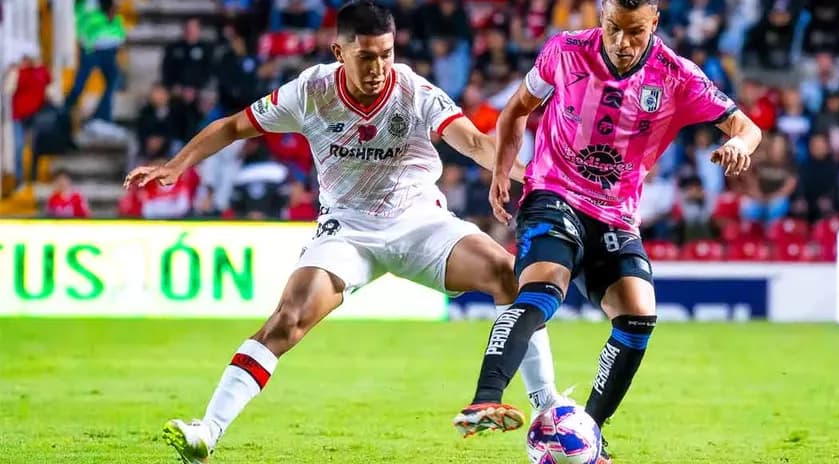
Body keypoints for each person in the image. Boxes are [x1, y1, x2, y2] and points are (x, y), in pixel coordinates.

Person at [123, 2, 561, 462]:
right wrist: (176, 166)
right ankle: (207, 431)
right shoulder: (310, 92)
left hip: (420, 223)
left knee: (509, 276)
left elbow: (473, 142)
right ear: (339, 51)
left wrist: (539, 180)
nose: (378, 68)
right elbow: (233, 127)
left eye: (387, 54)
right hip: (347, 230)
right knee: (287, 320)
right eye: (366, 57)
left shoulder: (413, 90)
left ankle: (546, 416)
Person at [452, 0, 762, 461]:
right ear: (601, 17)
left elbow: (747, 127)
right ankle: (485, 398)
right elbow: (516, 110)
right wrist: (501, 171)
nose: (622, 42)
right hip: (552, 193)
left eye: (635, 31)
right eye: (614, 28)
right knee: (542, 288)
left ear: (654, 21)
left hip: (616, 214)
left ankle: (586, 435)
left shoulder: (677, 75)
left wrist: (738, 142)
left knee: (639, 314)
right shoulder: (564, 51)